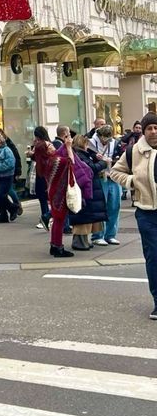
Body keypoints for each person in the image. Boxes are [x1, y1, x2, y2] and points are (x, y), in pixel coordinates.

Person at [111, 113, 157, 319]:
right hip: (146, 213)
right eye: (149, 128)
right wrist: (132, 181)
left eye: (156, 128)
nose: (153, 132)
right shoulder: (133, 152)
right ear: (144, 131)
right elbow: (115, 172)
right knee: (154, 257)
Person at [45, 128, 92, 258]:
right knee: (59, 220)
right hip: (59, 192)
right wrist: (68, 146)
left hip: (55, 191)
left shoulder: (52, 160)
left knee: (57, 220)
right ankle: (58, 247)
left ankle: (54, 245)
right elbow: (71, 162)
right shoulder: (56, 160)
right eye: (49, 145)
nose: (52, 145)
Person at [68, 134, 107, 250]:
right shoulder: (80, 155)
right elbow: (91, 169)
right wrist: (103, 163)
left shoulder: (81, 154)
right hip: (85, 190)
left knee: (86, 218)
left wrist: (94, 155)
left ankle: (83, 241)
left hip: (86, 189)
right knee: (83, 218)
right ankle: (79, 242)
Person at [90, 125, 121, 245]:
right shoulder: (91, 143)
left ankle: (111, 234)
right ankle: (97, 235)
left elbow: (120, 157)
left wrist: (113, 161)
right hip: (99, 177)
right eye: (104, 139)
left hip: (113, 176)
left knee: (114, 206)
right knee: (100, 207)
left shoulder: (115, 143)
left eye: (108, 139)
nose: (106, 141)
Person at [27, 126, 52, 230]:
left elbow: (38, 158)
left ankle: (46, 217)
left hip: (41, 173)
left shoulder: (39, 145)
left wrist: (31, 154)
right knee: (48, 197)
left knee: (42, 197)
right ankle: (48, 217)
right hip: (49, 173)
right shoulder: (49, 144)